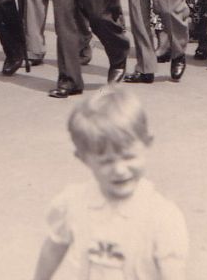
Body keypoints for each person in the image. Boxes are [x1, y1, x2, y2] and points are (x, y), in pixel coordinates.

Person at [33, 88, 188, 280]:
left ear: (147, 143)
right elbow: (53, 248)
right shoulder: (72, 203)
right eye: (106, 161)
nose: (119, 169)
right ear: (83, 158)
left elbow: (173, 273)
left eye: (128, 156)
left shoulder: (162, 216)